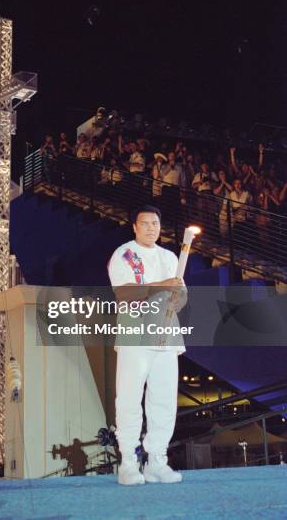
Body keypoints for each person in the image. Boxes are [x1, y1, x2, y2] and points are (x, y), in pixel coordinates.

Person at [108, 205, 186, 486]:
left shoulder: (169, 257)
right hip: (135, 336)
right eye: (145, 223)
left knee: (163, 400)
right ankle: (128, 462)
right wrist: (165, 285)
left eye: (155, 223)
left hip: (166, 337)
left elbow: (181, 295)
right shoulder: (124, 254)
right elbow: (125, 292)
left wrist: (177, 297)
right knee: (129, 398)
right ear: (135, 226)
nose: (151, 228)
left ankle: (157, 462)